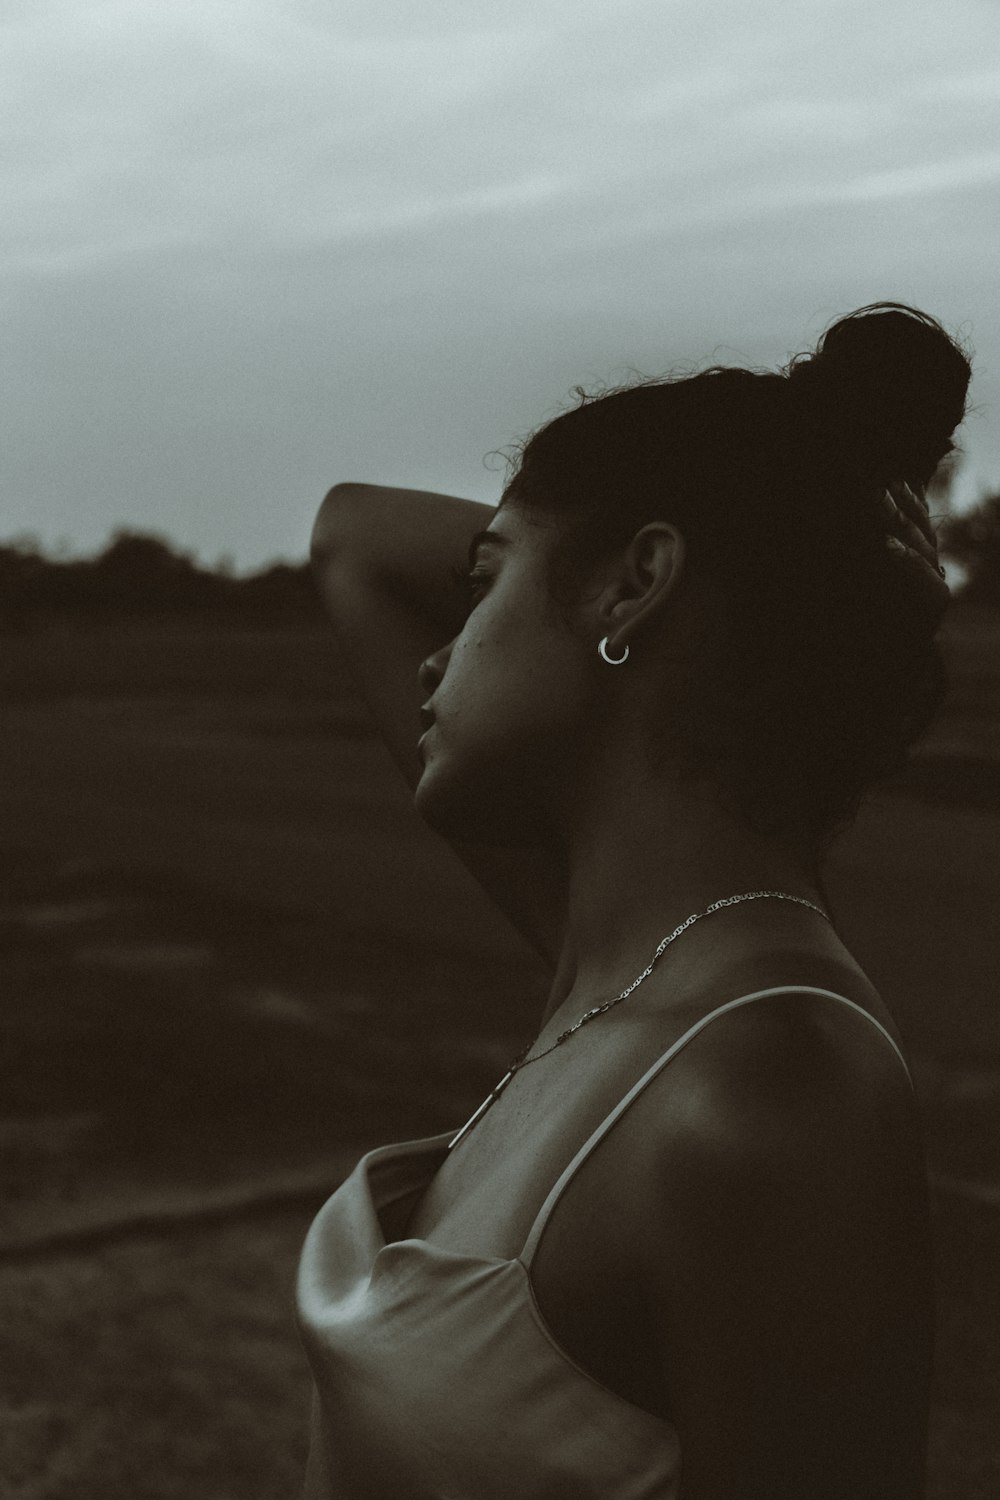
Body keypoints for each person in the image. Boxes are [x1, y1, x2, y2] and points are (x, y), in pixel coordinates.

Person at [296, 301, 971, 1498]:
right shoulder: (618, 972)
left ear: (636, 583)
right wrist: (795, 579)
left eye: (485, 581)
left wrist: (764, 573)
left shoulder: (764, 1082)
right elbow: (351, 538)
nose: (432, 656)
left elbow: (358, 547)